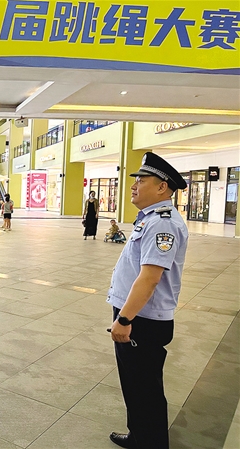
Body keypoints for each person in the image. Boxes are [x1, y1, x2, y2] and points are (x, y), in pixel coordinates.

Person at [107, 152, 188, 449]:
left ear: (162, 187)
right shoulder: (151, 219)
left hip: (142, 319)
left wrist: (125, 319)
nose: (134, 185)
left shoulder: (162, 224)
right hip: (137, 314)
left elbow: (150, 277)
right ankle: (139, 436)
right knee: (135, 384)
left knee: (145, 388)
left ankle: (151, 442)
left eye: (142, 180)